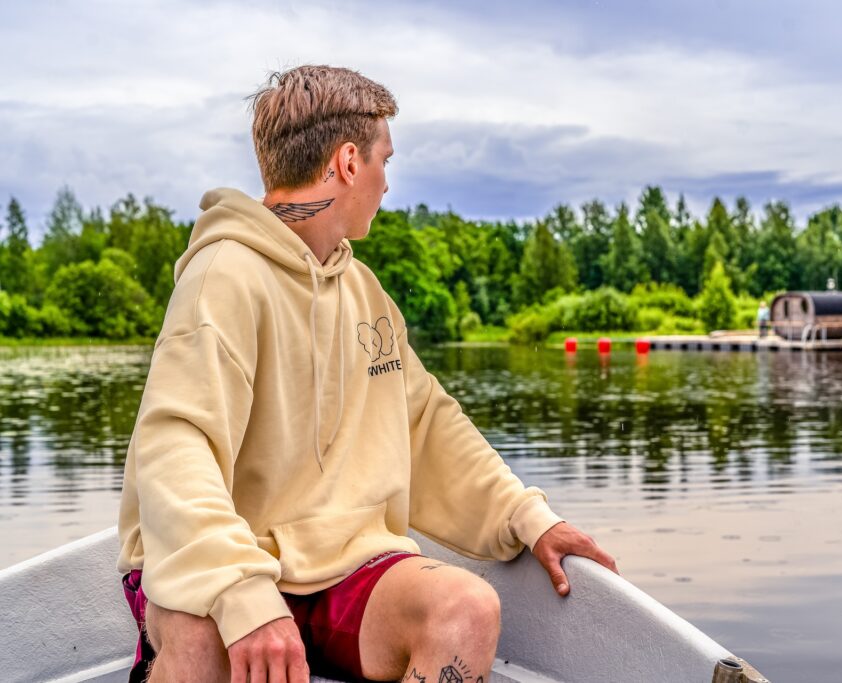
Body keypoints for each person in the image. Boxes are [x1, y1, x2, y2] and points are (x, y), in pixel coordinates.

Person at [116, 65, 617, 683]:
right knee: (198, 644)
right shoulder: (223, 278)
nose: (386, 184)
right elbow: (175, 445)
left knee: (465, 610)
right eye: (385, 161)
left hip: (343, 566)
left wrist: (528, 517)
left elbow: (424, 424)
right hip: (224, 568)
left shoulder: (365, 292)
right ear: (349, 163)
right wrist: (243, 592)